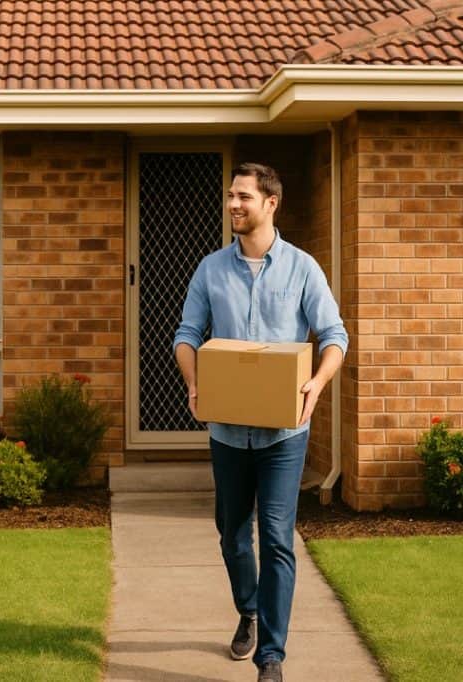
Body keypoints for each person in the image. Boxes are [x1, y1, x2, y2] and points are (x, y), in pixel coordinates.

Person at [172, 163, 348, 682]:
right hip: (227, 431)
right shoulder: (210, 269)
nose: (233, 204)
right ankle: (248, 609)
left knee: (275, 537)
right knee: (232, 534)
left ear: (271, 203)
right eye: (231, 196)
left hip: (284, 434)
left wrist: (316, 384)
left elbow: (335, 335)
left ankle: (272, 654)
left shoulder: (302, 269)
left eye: (243, 197)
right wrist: (194, 380)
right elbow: (187, 333)